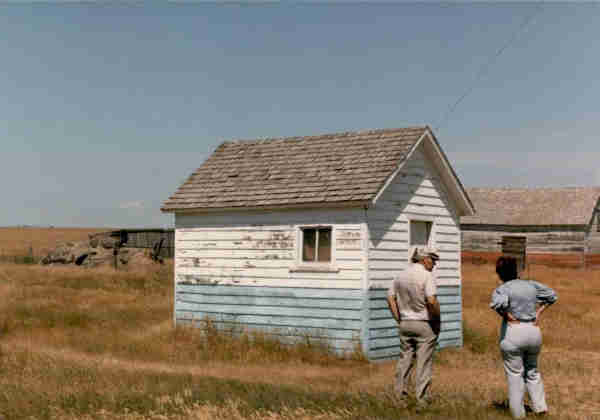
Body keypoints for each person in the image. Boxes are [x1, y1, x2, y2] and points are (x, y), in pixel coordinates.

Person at [490, 256, 558, 419]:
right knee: (532, 371)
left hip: (514, 331)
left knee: (515, 374)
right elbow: (552, 296)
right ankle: (540, 408)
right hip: (533, 331)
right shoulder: (532, 284)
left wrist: (506, 315)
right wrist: (539, 312)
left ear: (500, 273)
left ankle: (518, 414)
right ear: (516, 270)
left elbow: (497, 304)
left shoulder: (503, 288)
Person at [387, 246, 441, 406]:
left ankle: (399, 398)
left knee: (405, 360)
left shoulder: (400, 275)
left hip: (405, 322)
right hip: (424, 323)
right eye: (433, 260)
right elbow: (431, 300)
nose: (435, 264)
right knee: (423, 363)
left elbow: (390, 298)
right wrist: (436, 318)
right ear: (425, 260)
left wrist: (399, 318)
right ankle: (421, 400)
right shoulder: (427, 276)